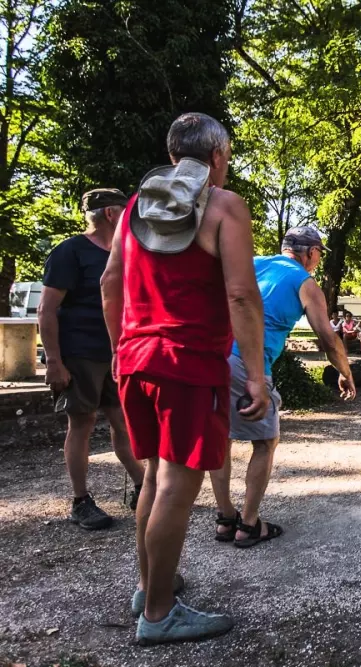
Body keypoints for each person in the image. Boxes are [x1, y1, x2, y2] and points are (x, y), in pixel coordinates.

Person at [102, 112, 269, 645]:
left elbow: (110, 282)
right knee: (176, 483)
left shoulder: (133, 209)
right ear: (217, 157)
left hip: (136, 357)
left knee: (153, 477)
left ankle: (150, 586)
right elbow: (242, 295)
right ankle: (158, 614)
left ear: (175, 155)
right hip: (188, 362)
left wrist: (118, 347)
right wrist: (258, 376)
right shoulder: (223, 206)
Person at [210, 226, 356, 549]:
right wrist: (345, 372)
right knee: (265, 440)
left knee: (220, 436)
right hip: (246, 364)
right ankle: (248, 525)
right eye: (318, 254)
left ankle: (224, 518)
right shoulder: (305, 283)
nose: (318, 261)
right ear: (310, 253)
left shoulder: (253, 263)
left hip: (211, 356)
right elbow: (328, 339)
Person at [38, 188, 146, 530]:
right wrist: (54, 361)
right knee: (81, 424)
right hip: (80, 354)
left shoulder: (125, 253)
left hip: (117, 354)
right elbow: (46, 309)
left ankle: (143, 486)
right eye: (126, 210)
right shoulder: (71, 251)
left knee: (122, 421)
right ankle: (81, 501)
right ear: (113, 214)